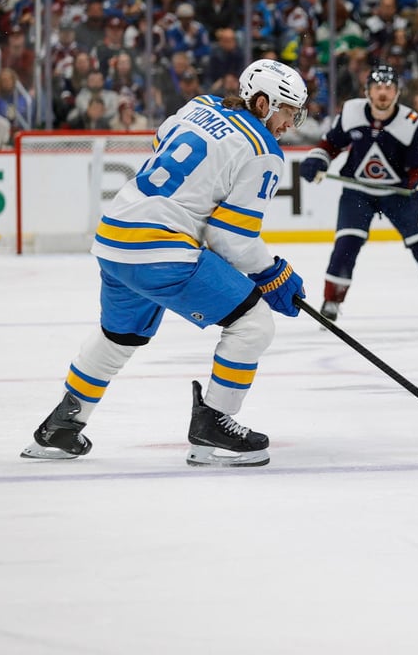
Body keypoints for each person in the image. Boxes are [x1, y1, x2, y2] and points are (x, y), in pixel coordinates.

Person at [22, 59, 311, 468]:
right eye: (286, 109)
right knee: (253, 322)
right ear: (262, 103)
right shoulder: (263, 150)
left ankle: (63, 426)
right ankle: (214, 422)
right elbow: (229, 237)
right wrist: (271, 272)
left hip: (116, 237)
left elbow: (162, 141)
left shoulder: (201, 105)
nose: (289, 121)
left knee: (119, 337)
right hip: (162, 250)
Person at [298, 64, 418, 325]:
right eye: (377, 87)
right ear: (367, 91)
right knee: (347, 244)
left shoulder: (411, 122)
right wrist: (317, 160)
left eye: (388, 88)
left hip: (397, 194)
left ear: (397, 93)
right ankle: (332, 300)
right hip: (357, 190)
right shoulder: (352, 112)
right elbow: (330, 144)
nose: (383, 93)